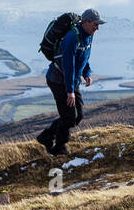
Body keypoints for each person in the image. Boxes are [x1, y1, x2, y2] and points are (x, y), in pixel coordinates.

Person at [37, 8, 105, 155]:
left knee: (78, 116)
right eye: (95, 24)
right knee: (69, 117)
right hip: (58, 80)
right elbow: (67, 65)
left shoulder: (88, 34)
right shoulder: (71, 38)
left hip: (71, 81)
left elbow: (84, 56)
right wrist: (69, 91)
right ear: (86, 22)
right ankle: (59, 148)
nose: (97, 28)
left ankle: (46, 136)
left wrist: (86, 72)